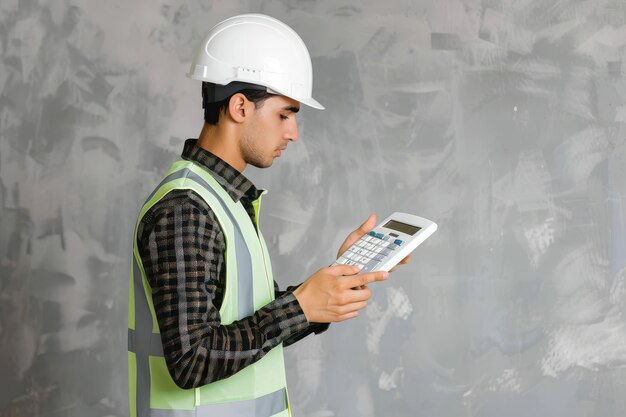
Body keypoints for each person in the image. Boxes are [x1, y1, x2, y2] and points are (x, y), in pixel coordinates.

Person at [127, 13, 410, 417]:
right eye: (284, 114)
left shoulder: (224, 200)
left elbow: (245, 324)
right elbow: (191, 358)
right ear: (240, 106)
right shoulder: (186, 210)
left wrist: (336, 278)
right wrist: (299, 307)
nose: (293, 132)